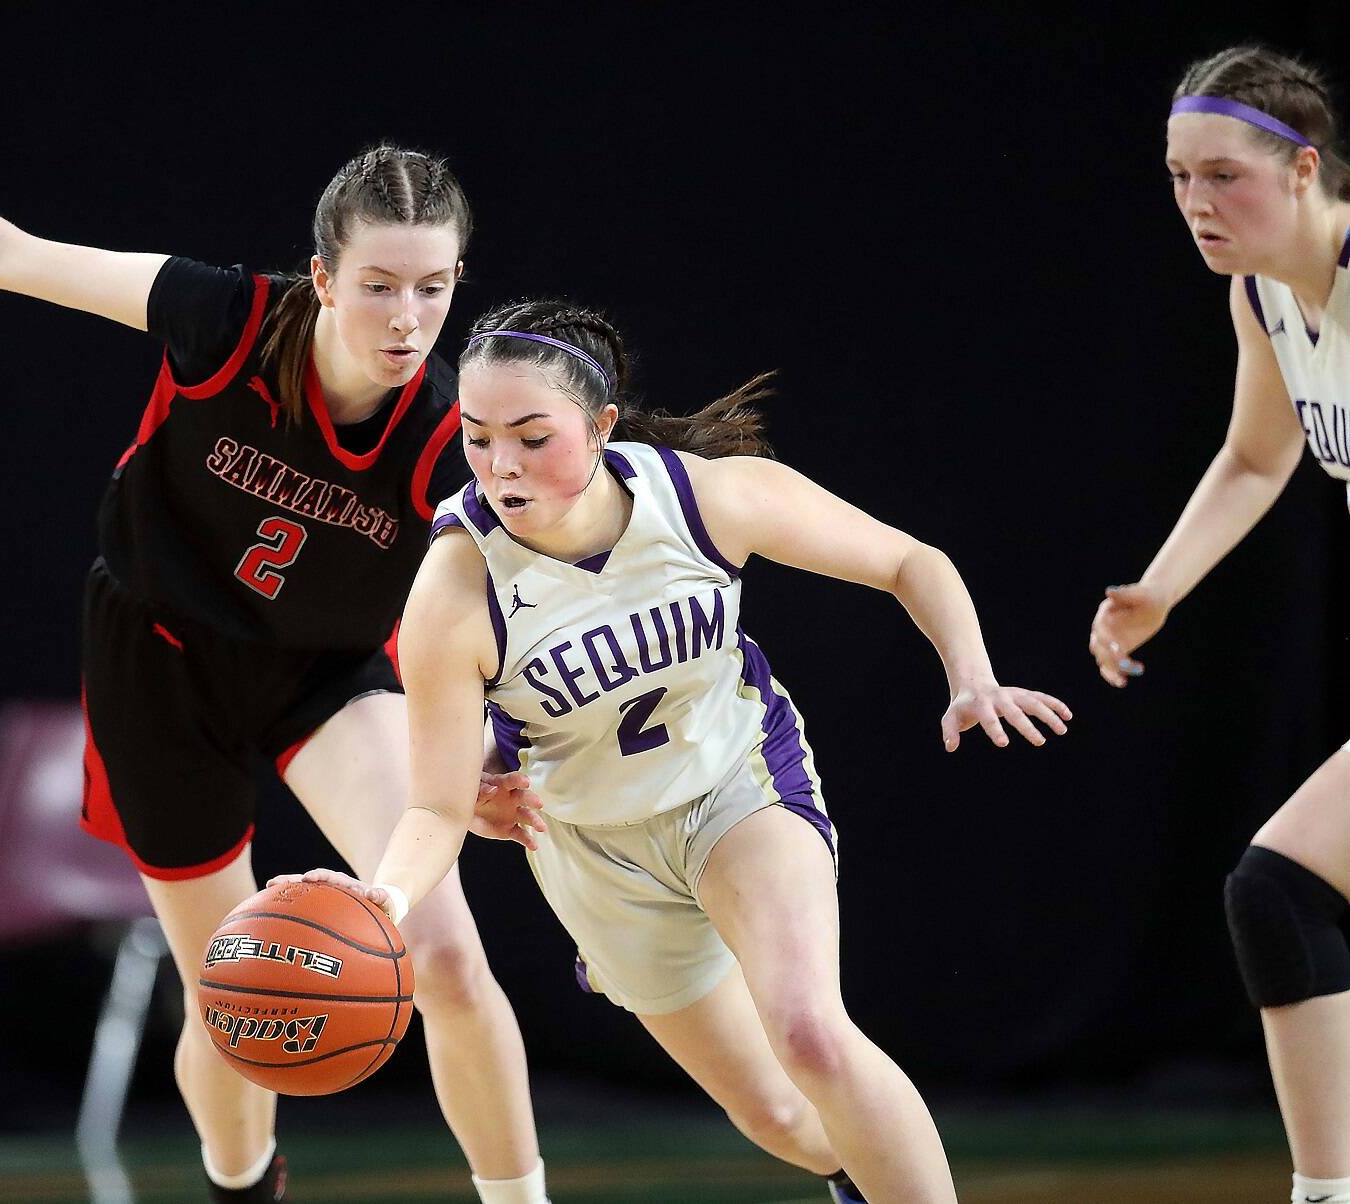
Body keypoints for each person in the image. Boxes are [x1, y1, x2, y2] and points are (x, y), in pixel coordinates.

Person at [0, 48, 553, 1204]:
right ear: (321, 275)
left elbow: (496, 605)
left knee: (444, 951)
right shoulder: (227, 318)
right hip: (162, 661)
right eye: (381, 285)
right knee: (234, 991)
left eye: (436, 288)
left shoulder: (450, 429)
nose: (409, 318)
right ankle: (244, 1180)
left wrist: (485, 747)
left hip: (323, 672)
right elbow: (0, 254)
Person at [284, 299, 1073, 1203]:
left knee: (811, 1031)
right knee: (781, 1120)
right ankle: (857, 1176)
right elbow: (433, 803)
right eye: (476, 437)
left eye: (533, 437)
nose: (502, 465)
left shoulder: (700, 496)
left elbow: (909, 560)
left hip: (736, 787)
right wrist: (383, 896)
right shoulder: (455, 590)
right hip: (596, 849)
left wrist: (971, 674)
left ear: (602, 425)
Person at [1087, 45, 1350, 1204]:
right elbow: (1258, 453)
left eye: (1224, 176)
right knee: (1278, 891)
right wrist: (1162, 586)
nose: (1197, 202)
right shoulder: (1265, 296)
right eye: (1179, 175)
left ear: (1303, 169)